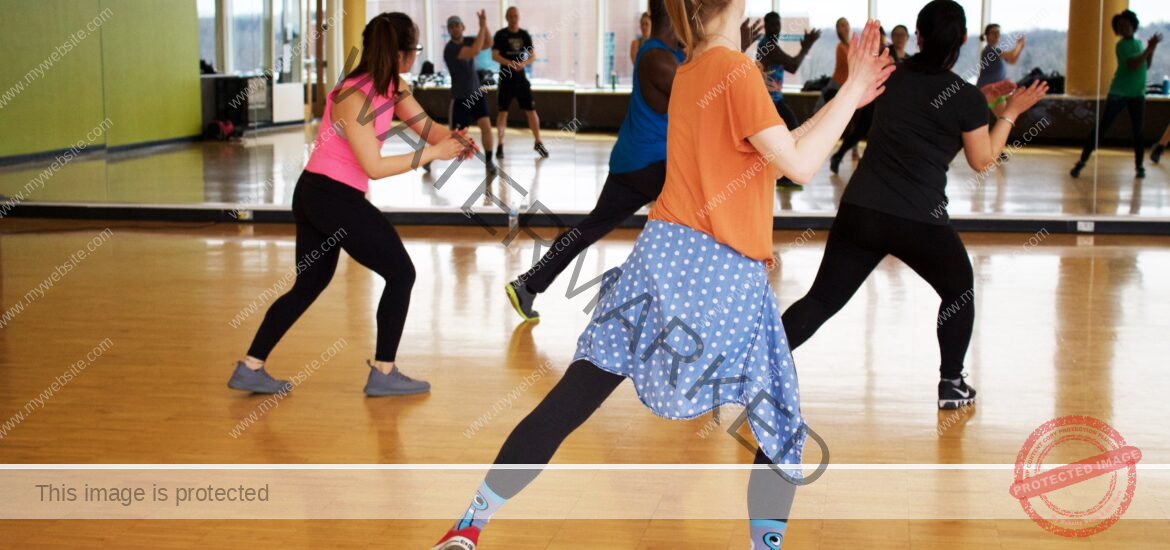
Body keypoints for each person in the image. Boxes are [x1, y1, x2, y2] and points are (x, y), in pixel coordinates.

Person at [430, 0, 894, 547]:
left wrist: (848, 99)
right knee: (777, 418)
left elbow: (777, 151)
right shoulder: (735, 70)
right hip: (721, 270)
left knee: (575, 394)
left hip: (663, 255)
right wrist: (848, 91)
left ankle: (468, 524)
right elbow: (799, 165)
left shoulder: (697, 68)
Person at [780, 0, 1049, 411]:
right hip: (919, 220)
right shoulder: (964, 99)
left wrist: (977, 99)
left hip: (862, 210)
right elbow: (982, 159)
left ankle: (756, 366)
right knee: (958, 287)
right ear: (963, 40)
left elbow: (920, 99)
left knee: (821, 300)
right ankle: (951, 382)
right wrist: (1009, 111)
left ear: (918, 36)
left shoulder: (893, 76)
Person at [227, 12, 477, 397]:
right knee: (401, 273)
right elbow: (374, 167)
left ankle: (251, 366)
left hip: (324, 196)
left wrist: (455, 140)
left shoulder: (394, 87)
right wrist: (432, 154)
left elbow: (430, 129)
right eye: (413, 49)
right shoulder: (351, 96)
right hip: (328, 197)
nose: (414, 56)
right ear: (399, 53)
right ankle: (383, 372)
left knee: (309, 284)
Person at [504, 6, 761, 322]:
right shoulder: (657, 59)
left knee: (594, 227)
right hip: (650, 164)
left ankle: (528, 284)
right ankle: (679, 309)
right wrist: (735, 49)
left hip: (635, 161)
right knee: (701, 224)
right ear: (674, 19)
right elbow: (707, 96)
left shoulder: (668, 54)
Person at [1071, 10, 1161, 179]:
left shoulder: (1139, 44)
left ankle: (1139, 166)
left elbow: (1145, 65)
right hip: (1119, 93)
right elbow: (1134, 64)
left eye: (1126, 25)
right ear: (1117, 31)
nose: (1124, 28)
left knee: (1138, 131)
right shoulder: (1121, 46)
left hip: (1137, 94)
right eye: (1120, 26)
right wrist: (1149, 48)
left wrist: (1152, 49)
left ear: (1133, 26)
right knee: (1103, 128)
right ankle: (1081, 162)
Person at [757, 11, 820, 189]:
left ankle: (783, 175)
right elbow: (793, 66)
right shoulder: (768, 45)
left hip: (775, 99)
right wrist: (806, 47)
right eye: (772, 25)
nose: (776, 28)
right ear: (766, 26)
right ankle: (784, 176)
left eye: (778, 24)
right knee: (792, 132)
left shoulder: (770, 44)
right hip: (771, 100)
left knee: (790, 133)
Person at [829, 26, 889, 175]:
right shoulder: (868, 54)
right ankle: (838, 156)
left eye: (879, 37)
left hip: (886, 99)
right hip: (869, 98)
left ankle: (870, 164)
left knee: (877, 131)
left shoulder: (890, 52)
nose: (877, 40)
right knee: (861, 129)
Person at [444, 11, 496, 174]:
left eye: (457, 25)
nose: (454, 29)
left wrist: (484, 25)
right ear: (449, 30)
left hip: (476, 94)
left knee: (486, 126)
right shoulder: (450, 49)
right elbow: (474, 51)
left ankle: (489, 160)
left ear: (463, 27)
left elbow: (488, 43)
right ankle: (430, 160)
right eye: (451, 26)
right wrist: (481, 27)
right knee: (453, 135)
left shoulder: (467, 40)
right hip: (460, 98)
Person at [493, 6, 547, 159]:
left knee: (531, 111)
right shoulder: (500, 35)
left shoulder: (524, 35)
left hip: (521, 80)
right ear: (507, 17)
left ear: (518, 17)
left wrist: (523, 63)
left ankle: (538, 141)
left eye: (515, 15)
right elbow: (495, 55)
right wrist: (509, 63)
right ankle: (500, 145)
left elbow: (532, 55)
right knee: (503, 113)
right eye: (510, 15)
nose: (513, 18)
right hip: (506, 79)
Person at [975, 24, 1026, 89]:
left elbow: (1012, 61)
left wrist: (1020, 48)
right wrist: (1019, 44)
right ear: (987, 36)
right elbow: (1011, 55)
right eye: (993, 33)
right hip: (986, 89)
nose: (996, 35)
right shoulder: (990, 50)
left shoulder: (995, 50)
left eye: (998, 33)